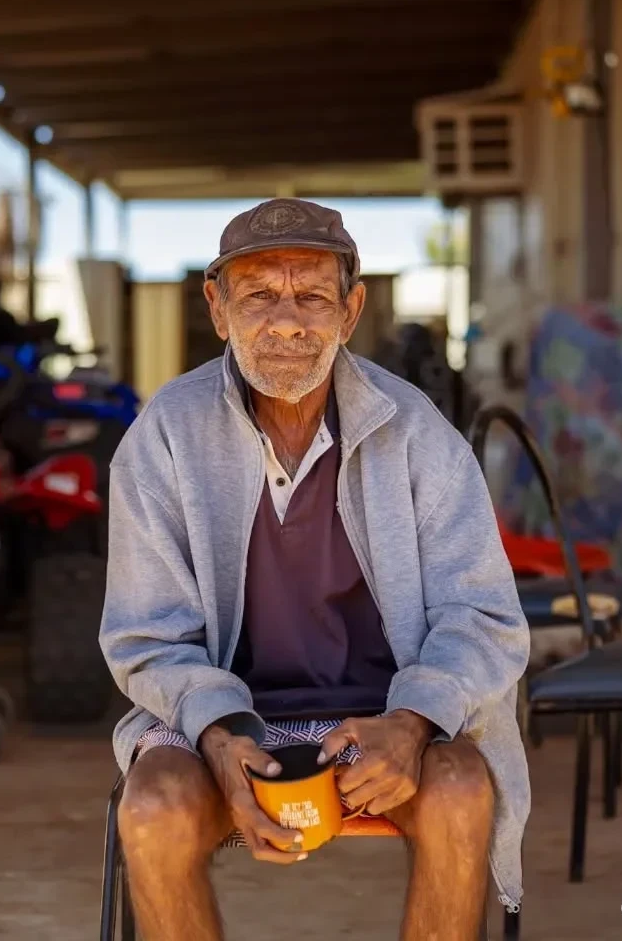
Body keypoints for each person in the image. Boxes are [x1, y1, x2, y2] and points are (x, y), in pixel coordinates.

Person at [98, 198, 530, 941]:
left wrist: (413, 720)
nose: (289, 322)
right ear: (218, 307)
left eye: (313, 297)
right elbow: (146, 635)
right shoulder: (165, 434)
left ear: (352, 310)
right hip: (218, 720)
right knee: (154, 806)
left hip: (380, 715)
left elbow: (481, 615)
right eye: (260, 295)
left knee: (460, 788)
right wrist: (221, 734)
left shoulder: (415, 428)